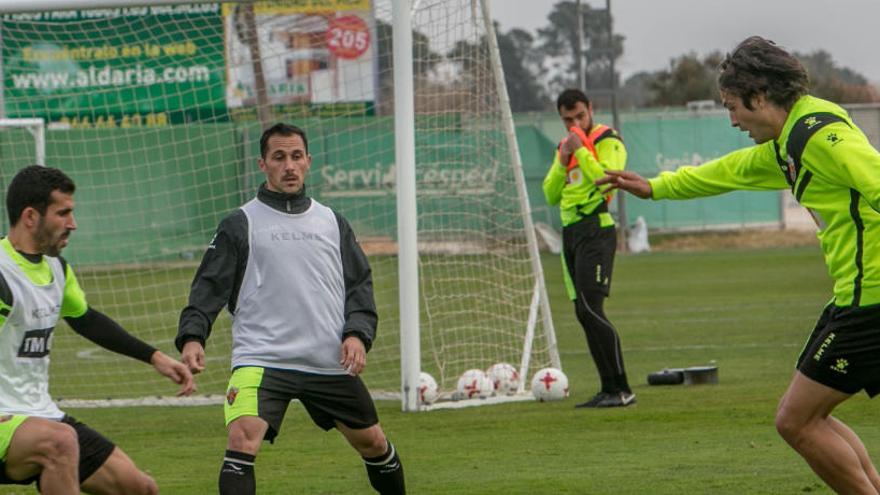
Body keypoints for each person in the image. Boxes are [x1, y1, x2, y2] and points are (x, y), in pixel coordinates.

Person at [598, 36, 880, 494]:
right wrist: (656, 187)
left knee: (796, 421)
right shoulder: (791, 141)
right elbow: (731, 171)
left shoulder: (818, 136)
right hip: (854, 297)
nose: (732, 120)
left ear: (759, 95)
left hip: (871, 302)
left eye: (733, 106)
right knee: (805, 417)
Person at [176, 123, 406, 495]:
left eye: (296, 157)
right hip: (262, 358)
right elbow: (208, 287)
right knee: (242, 439)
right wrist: (192, 336)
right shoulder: (240, 224)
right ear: (262, 164)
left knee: (374, 444)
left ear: (308, 162)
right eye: (279, 157)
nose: (289, 166)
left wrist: (357, 334)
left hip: (326, 360)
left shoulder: (332, 222)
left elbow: (359, 285)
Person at [0, 165, 195, 494]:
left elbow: (87, 320)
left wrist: (156, 357)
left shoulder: (57, 269)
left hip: (40, 414)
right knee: (60, 443)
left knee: (140, 488)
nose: (72, 224)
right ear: (31, 216)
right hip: (6, 419)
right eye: (63, 214)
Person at [542, 88, 636, 408]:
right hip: (571, 233)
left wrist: (581, 150)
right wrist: (563, 159)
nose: (575, 124)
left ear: (590, 110)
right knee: (583, 312)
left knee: (592, 308)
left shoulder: (607, 140)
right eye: (568, 119)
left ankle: (622, 389)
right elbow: (551, 194)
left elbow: (605, 178)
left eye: (580, 116)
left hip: (597, 229)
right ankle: (608, 388)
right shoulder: (565, 147)